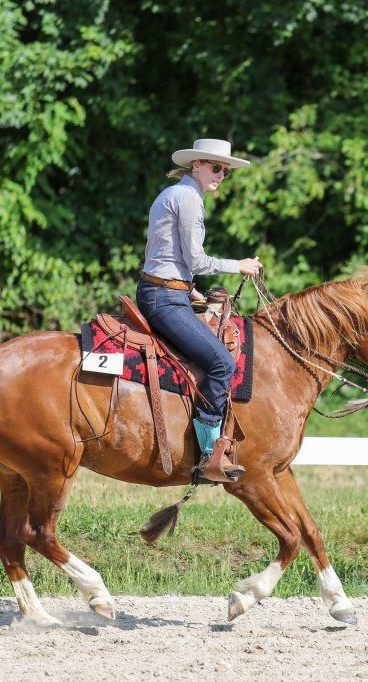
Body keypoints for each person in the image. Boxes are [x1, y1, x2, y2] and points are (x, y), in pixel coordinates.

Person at [136, 138, 261, 482]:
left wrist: (191, 291)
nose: (222, 174)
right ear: (196, 165)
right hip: (164, 297)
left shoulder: (175, 194)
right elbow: (195, 259)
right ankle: (208, 453)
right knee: (222, 362)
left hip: (169, 291)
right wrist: (240, 265)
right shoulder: (188, 199)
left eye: (226, 171)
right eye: (216, 167)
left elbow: (169, 256)